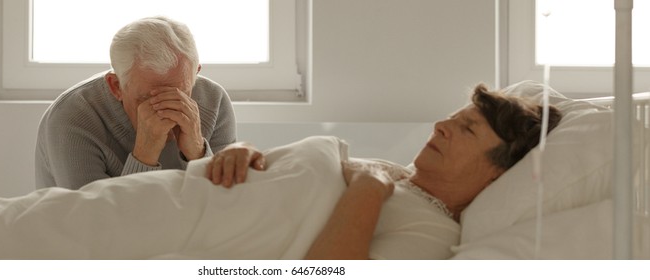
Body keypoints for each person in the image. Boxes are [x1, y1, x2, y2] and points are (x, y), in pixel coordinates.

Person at [206, 83, 563, 259]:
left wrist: (369, 186)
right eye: (452, 118)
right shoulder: (396, 175)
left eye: (466, 129)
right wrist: (242, 151)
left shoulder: (432, 234)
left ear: (497, 170)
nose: (440, 125)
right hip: (203, 192)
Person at [35, 16, 238, 189]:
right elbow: (94, 225)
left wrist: (198, 152)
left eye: (181, 94)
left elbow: (225, 206)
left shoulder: (214, 100)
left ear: (195, 75)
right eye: (148, 99)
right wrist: (144, 154)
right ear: (116, 86)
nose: (167, 112)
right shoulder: (71, 118)